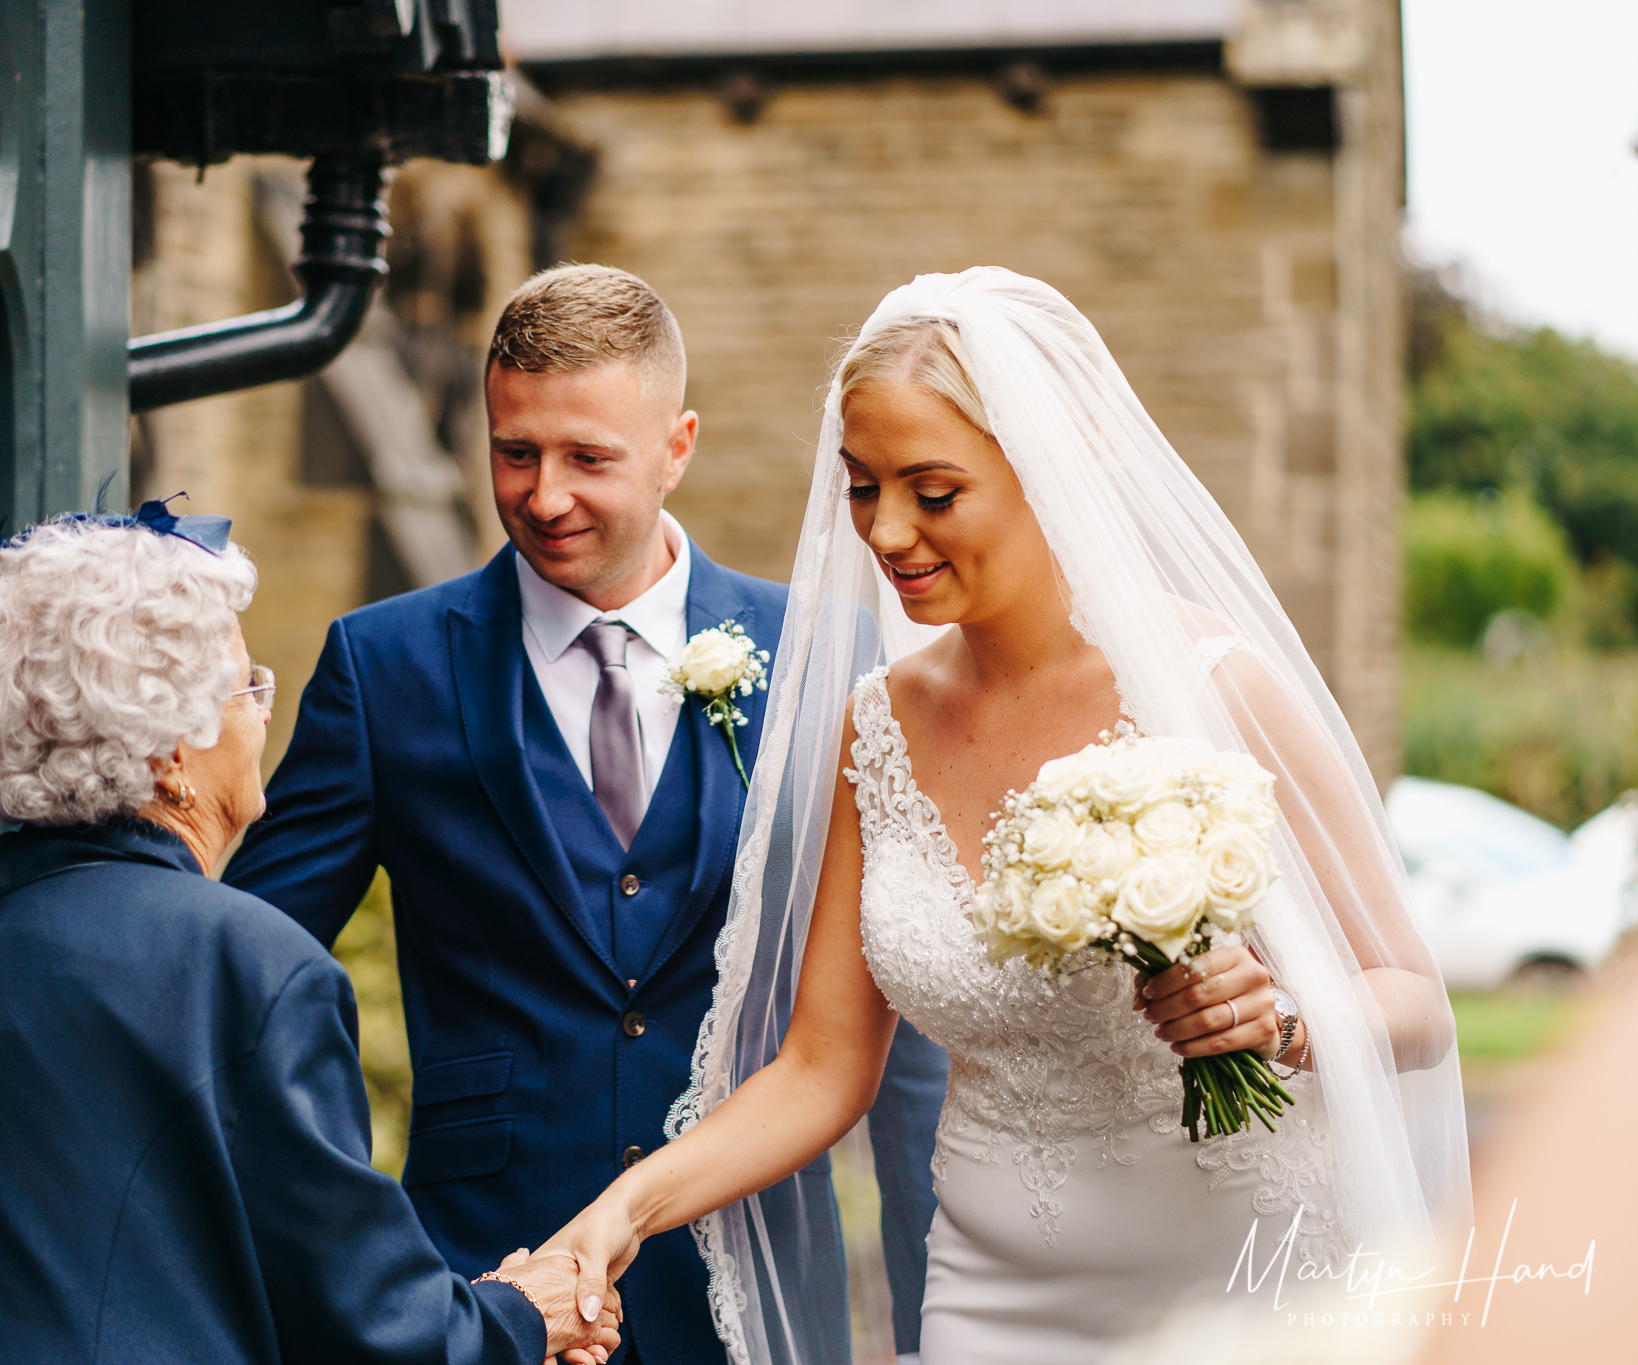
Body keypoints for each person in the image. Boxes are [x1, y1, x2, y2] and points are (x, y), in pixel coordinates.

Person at [537, 268, 1473, 1365]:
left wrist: (1280, 1019)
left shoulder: (1212, 687)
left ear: (1048, 473)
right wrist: (623, 1214)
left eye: (931, 493)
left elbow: (1413, 1001)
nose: (885, 531)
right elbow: (820, 1068)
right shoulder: (875, 726)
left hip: (1236, 1279)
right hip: (990, 1293)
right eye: (860, 486)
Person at [223, 264, 946, 1364]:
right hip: (482, 1282)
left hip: (749, 1272)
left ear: (677, 446)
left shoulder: (829, 658)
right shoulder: (386, 666)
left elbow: (897, 1019)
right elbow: (248, 976)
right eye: (515, 452)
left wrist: (926, 1307)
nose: (544, 496)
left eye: (588, 459)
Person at [0, 505, 619, 1365]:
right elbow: (375, 1333)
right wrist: (526, 1314)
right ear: (171, 755)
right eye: (246, 687)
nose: (264, 713)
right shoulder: (248, 965)